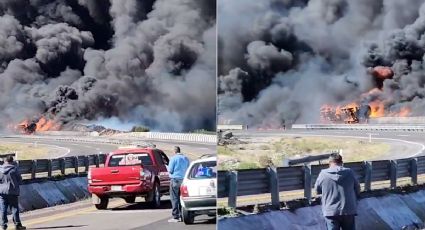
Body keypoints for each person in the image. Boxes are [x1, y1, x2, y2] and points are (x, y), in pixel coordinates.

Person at [314, 153, 360, 230]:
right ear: (341, 162)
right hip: (348, 210)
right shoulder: (349, 172)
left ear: (329, 163)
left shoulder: (323, 174)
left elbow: (317, 191)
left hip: (330, 211)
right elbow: (357, 189)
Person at [0, 156, 26, 230]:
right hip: (12, 191)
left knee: (3, 209)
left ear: (4, 161)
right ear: (12, 161)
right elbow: (20, 180)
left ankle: (3, 226)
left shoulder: (0, 170)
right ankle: (17, 225)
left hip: (2, 192)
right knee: (14, 209)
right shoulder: (14, 169)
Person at [167, 146, 190, 223]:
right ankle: (182, 215)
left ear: (174, 151)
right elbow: (188, 169)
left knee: (174, 198)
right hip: (183, 180)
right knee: (182, 198)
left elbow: (170, 170)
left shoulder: (173, 158)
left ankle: (176, 216)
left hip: (175, 180)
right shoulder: (185, 158)